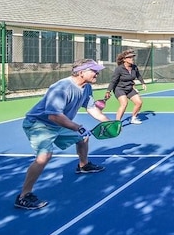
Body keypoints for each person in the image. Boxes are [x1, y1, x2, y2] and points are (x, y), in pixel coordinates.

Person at [15, 59, 109, 210]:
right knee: (44, 156)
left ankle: (83, 166)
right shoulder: (61, 88)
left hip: (58, 124)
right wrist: (76, 127)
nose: (97, 73)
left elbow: (91, 108)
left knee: (83, 137)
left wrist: (107, 122)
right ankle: (23, 196)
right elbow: (53, 116)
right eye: (94, 70)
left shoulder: (86, 88)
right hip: (39, 124)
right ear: (81, 72)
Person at [105, 49, 147, 125]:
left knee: (139, 102)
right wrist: (108, 91)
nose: (132, 59)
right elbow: (113, 80)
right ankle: (117, 122)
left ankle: (133, 118)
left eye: (132, 57)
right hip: (119, 88)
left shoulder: (134, 67)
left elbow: (138, 75)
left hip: (129, 88)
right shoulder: (119, 69)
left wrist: (143, 83)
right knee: (124, 103)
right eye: (130, 57)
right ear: (124, 59)